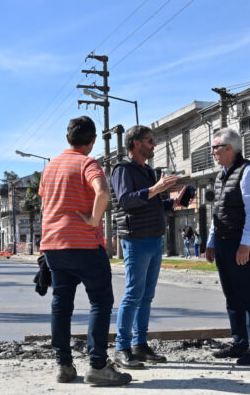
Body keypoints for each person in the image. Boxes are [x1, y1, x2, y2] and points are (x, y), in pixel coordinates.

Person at [39, 116, 131, 386]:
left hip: (53, 246)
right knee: (100, 302)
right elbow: (102, 192)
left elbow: (46, 206)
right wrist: (93, 219)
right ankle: (98, 365)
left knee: (61, 305)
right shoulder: (89, 163)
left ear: (67, 139)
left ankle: (64, 366)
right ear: (92, 142)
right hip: (85, 244)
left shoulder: (50, 168)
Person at [111, 125, 181, 370]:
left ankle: (140, 344)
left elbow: (154, 204)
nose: (153, 145)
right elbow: (126, 200)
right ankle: (122, 347)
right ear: (136, 143)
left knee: (147, 295)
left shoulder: (149, 171)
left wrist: (174, 201)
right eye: (150, 141)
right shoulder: (122, 170)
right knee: (133, 293)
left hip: (154, 238)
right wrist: (156, 189)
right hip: (136, 238)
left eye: (153, 141)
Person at [205, 127, 250, 366]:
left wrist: (245, 244)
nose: (212, 152)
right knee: (231, 295)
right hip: (222, 242)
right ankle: (239, 342)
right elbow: (217, 213)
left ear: (228, 148)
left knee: (248, 294)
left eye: (215, 147)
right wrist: (211, 242)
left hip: (239, 243)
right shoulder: (221, 175)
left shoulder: (248, 172)